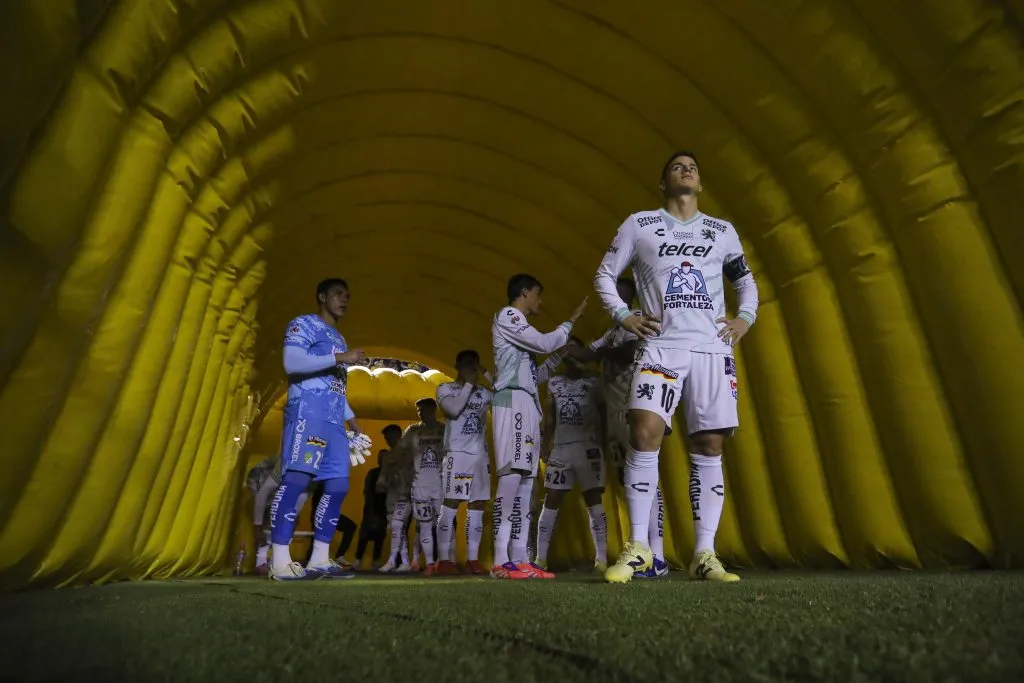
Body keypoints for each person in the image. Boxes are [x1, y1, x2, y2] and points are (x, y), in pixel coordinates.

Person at [593, 151, 759, 584]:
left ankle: (705, 553)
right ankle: (639, 549)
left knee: (709, 446)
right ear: (662, 183)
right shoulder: (640, 224)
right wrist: (622, 316)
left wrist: (746, 318)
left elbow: (745, 281)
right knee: (643, 432)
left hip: (710, 350)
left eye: (693, 167)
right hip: (660, 347)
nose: (686, 170)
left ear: (700, 184)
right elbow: (604, 275)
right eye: (676, 167)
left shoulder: (721, 231)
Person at [268, 278, 370, 581]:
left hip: (333, 420)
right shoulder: (303, 324)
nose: (344, 300)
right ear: (321, 296)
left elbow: (333, 385)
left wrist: (351, 418)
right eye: (338, 294)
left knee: (338, 486)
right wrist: (341, 357)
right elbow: (292, 362)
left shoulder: (338, 337)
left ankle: (320, 560)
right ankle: (280, 561)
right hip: (307, 413)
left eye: (347, 296)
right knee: (297, 480)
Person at [489, 273, 587, 579]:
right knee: (511, 477)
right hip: (512, 403)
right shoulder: (508, 316)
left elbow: (538, 375)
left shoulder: (520, 336)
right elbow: (544, 341)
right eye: (537, 295)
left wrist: (560, 353)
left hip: (527, 404)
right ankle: (499, 559)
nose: (540, 301)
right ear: (524, 292)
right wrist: (571, 321)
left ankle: (520, 558)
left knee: (528, 482)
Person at [579, 277, 670, 578]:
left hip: (637, 407)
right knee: (627, 478)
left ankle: (656, 555)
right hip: (616, 411)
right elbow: (588, 354)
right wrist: (561, 343)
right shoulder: (612, 331)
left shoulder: (641, 318)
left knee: (643, 476)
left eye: (616, 294)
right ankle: (643, 550)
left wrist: (602, 353)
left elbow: (629, 353)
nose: (610, 300)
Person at [535, 337, 608, 571]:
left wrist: (603, 444)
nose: (571, 355)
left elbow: (605, 413)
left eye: (575, 350)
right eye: (566, 352)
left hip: (589, 447)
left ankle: (602, 559)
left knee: (593, 499)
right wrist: (546, 444)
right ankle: (540, 558)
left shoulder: (595, 381)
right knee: (552, 499)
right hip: (562, 449)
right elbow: (551, 417)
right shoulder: (555, 383)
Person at [435, 349, 494, 576]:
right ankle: (444, 560)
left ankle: (472, 559)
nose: (472, 369)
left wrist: (487, 373)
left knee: (477, 504)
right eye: (468, 364)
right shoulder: (446, 388)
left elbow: (505, 393)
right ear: (457, 366)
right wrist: (469, 384)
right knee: (452, 502)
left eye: (475, 365)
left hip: (480, 455)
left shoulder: (483, 392)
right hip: (457, 454)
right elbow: (453, 410)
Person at [397, 398, 446, 576]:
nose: (420, 413)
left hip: (440, 485)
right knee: (424, 524)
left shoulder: (443, 429)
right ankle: (430, 563)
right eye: (418, 410)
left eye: (423, 409)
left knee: (444, 524)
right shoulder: (413, 430)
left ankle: (445, 561)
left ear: (433, 410)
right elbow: (400, 451)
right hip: (419, 485)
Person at [245, 455, 311, 575]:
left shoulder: (306, 483)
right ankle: (262, 560)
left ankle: (277, 560)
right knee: (268, 517)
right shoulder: (264, 474)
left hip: (291, 486)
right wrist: (257, 526)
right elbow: (260, 497)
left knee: (289, 520)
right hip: (272, 482)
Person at [377, 424, 416, 573]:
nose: (387, 439)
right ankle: (405, 562)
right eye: (385, 437)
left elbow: (415, 472)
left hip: (405, 495)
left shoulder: (409, 453)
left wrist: (411, 488)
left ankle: (392, 560)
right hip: (391, 496)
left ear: (397, 435)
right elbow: (384, 473)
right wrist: (380, 484)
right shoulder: (388, 455)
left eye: (389, 436)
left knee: (397, 525)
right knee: (394, 527)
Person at [352, 450, 389, 570]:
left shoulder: (392, 474)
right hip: (371, 509)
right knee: (364, 535)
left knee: (380, 536)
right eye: (380, 458)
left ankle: (376, 561)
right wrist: (370, 509)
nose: (381, 460)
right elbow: (367, 491)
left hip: (384, 510)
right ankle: (358, 560)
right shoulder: (372, 473)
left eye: (384, 458)